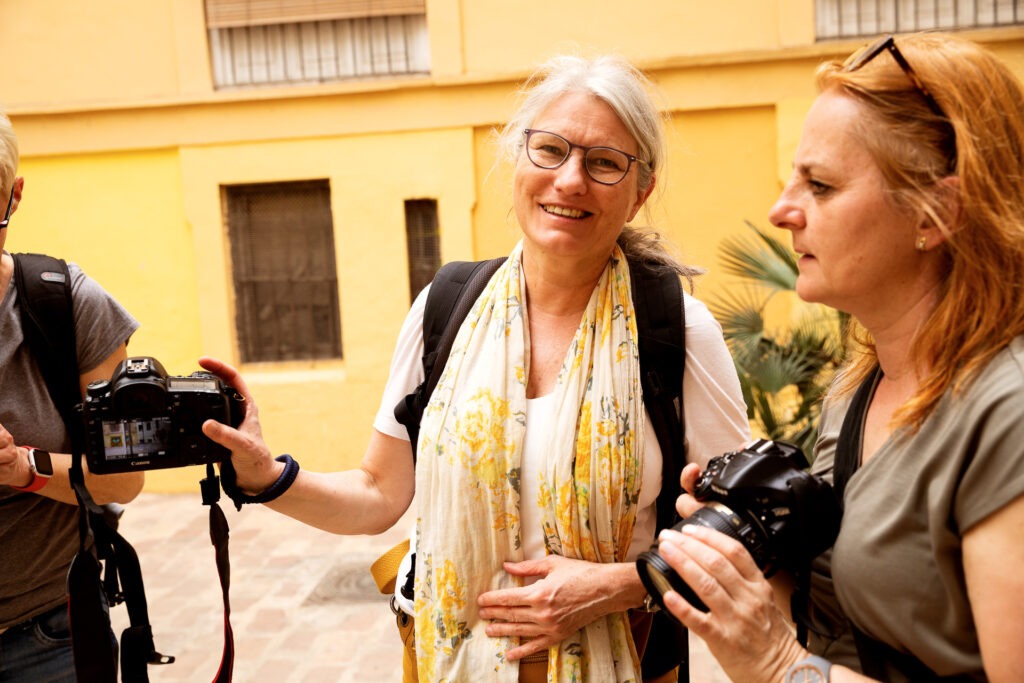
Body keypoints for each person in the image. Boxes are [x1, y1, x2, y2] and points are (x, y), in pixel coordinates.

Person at [200, 53, 749, 682]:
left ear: (639, 192)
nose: (571, 180)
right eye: (550, 150)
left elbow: (739, 524)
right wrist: (267, 476)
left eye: (604, 163)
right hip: (443, 662)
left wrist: (620, 585)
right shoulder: (447, 308)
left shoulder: (675, 326)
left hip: (619, 662)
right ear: (517, 161)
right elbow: (380, 494)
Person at [654, 32, 1024, 682]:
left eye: (820, 186)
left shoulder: (1007, 413)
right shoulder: (860, 387)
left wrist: (778, 662)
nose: (781, 210)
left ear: (935, 213)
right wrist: (756, 556)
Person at [0, 111, 144, 680]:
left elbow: (122, 480)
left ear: (14, 194)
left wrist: (22, 468)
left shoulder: (67, 305)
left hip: (50, 636)